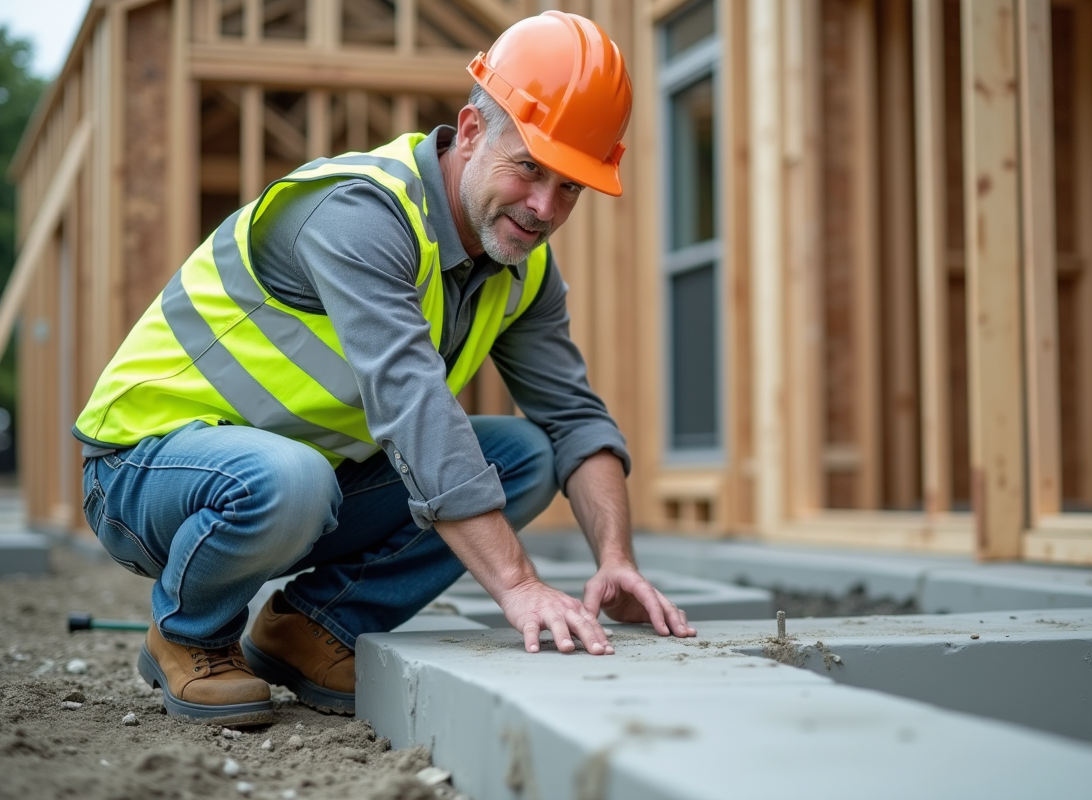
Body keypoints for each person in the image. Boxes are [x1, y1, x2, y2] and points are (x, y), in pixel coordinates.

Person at [72, 10, 695, 727]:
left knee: (523, 456)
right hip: (142, 471)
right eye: (530, 168)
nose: (544, 208)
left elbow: (575, 420)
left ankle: (310, 628)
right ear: (469, 131)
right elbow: (413, 404)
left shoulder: (522, 267)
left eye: (570, 188)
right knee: (291, 479)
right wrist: (518, 584)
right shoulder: (361, 212)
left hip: (300, 486)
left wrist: (615, 558)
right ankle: (189, 633)